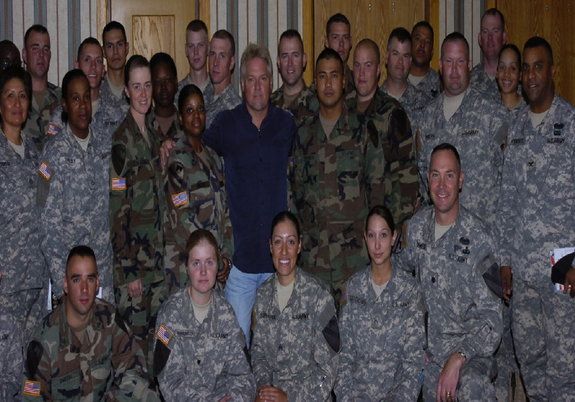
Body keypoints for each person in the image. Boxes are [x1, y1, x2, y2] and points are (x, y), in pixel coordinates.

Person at [498, 36, 575, 401]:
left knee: (564, 369)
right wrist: (505, 260)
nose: (530, 76)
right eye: (525, 68)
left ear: (552, 71)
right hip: (523, 268)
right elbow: (506, 199)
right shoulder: (516, 128)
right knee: (531, 363)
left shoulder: (570, 123)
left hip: (562, 265)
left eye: (537, 67)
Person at [203, 44, 295, 344]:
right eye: (251, 80)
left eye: (263, 79)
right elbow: (195, 150)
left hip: (278, 264)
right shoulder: (225, 124)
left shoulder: (286, 124)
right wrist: (169, 145)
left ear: (272, 81)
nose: (257, 87)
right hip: (239, 265)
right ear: (242, 84)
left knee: (277, 348)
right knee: (237, 349)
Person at [404, 143, 502, 401]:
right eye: (435, 175)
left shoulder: (480, 237)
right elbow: (399, 277)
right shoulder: (416, 229)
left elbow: (493, 320)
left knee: (472, 386)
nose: (441, 185)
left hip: (470, 355)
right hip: (429, 356)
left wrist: (459, 357)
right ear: (427, 179)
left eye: (449, 175)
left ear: (461, 180)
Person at [292, 48, 384, 296]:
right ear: (315, 83)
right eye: (322, 76)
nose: (328, 84)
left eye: (334, 76)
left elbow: (376, 191)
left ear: (344, 81)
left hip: (354, 260)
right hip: (313, 260)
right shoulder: (303, 134)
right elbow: (295, 194)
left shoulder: (363, 129)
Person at [22, 245, 158, 401]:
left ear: (98, 283)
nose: (84, 289)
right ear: (65, 284)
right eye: (76, 279)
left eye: (90, 279)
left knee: (149, 395)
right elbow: (31, 396)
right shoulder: (43, 340)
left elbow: (134, 366)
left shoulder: (109, 318)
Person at [110, 55, 166, 376]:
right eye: (136, 87)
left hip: (157, 264)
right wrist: (129, 270)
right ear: (127, 91)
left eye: (147, 86)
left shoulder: (153, 134)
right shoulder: (122, 140)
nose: (143, 94)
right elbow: (117, 212)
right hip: (135, 270)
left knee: (158, 348)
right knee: (135, 353)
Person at [417, 32, 507, 227]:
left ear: (469, 65)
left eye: (460, 62)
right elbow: (424, 178)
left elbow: (509, 176)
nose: (454, 70)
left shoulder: (492, 113)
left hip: (482, 232)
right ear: (440, 66)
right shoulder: (427, 117)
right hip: (440, 232)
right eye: (449, 62)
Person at [39, 69, 113, 306]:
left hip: (102, 273)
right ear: (64, 104)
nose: (82, 106)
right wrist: (61, 280)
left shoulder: (105, 144)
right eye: (75, 98)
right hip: (71, 279)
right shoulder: (53, 152)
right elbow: (47, 222)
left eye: (86, 98)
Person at [336, 205, 424, 400]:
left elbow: (414, 362)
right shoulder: (352, 288)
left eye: (383, 235)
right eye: (371, 236)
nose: (377, 245)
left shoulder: (410, 290)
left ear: (393, 238)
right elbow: (343, 356)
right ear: (365, 238)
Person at [154, 230, 255, 401]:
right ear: (187, 267)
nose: (203, 271)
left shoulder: (226, 313)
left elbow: (243, 374)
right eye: (196, 263)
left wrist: (235, 399)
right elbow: (168, 380)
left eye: (209, 262)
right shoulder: (170, 313)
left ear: (218, 266)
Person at [251, 211, 339, 401]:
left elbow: (329, 369)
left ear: (299, 246)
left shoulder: (319, 295)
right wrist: (265, 390)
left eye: (290, 242)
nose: (284, 251)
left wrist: (291, 397)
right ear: (270, 246)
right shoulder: (262, 295)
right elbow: (258, 354)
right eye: (278, 242)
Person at [0, 66, 46, 400]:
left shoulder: (36, 154)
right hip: (6, 284)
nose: (17, 103)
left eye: (22, 96)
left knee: (33, 370)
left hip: (36, 281)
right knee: (6, 371)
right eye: (9, 96)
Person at [163, 84, 231, 294]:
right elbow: (181, 219)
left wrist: (226, 256)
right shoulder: (177, 161)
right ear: (180, 117)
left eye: (200, 109)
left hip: (214, 267)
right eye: (189, 110)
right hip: (187, 267)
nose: (196, 116)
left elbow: (226, 212)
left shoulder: (213, 157)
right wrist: (212, 257)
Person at [346, 38, 419, 232]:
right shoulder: (342, 109)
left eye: (368, 65)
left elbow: (406, 180)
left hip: (381, 227)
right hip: (347, 230)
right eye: (357, 65)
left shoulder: (392, 113)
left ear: (378, 70)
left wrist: (389, 227)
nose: (361, 73)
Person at [382, 27, 432, 127]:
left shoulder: (426, 104)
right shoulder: (373, 103)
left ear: (410, 61)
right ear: (387, 57)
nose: (400, 62)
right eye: (395, 54)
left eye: (405, 56)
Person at [21, 24, 61, 150]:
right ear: (25, 55)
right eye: (35, 48)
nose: (41, 55)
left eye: (45, 49)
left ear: (50, 55)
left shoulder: (63, 98)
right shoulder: (13, 100)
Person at [270, 29, 313, 126]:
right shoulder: (268, 106)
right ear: (278, 62)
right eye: (285, 56)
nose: (290, 63)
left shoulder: (317, 104)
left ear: (304, 60)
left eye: (295, 55)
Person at [204, 29, 242, 127]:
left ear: (231, 62)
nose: (215, 62)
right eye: (212, 54)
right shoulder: (202, 96)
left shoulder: (235, 108)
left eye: (222, 56)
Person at [470, 8, 507, 100]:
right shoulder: (468, 82)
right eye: (485, 32)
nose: (490, 37)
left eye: (495, 31)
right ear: (480, 39)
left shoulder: (515, 80)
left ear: (504, 37)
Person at [100, 21, 130, 134]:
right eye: (110, 46)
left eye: (119, 44)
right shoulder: (95, 91)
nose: (115, 52)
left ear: (127, 48)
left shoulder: (137, 90)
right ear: (103, 51)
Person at [409, 20, 441, 98]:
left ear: (432, 51)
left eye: (427, 41)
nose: (422, 45)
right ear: (409, 45)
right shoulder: (398, 80)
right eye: (418, 39)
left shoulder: (441, 86)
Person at [150, 52, 178, 140]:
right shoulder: (142, 126)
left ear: (176, 82)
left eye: (168, 80)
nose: (163, 87)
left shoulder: (187, 124)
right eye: (158, 82)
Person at [178, 19, 210, 95]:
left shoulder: (218, 90)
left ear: (208, 48)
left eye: (200, 45)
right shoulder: (177, 93)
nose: (196, 52)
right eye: (191, 46)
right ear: (186, 50)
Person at [325, 13, 354, 95]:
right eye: (335, 37)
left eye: (345, 37)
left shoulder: (359, 83)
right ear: (326, 42)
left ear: (350, 42)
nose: (341, 43)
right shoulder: (319, 86)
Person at [496, 43, 525, 115]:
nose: (506, 73)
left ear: (520, 75)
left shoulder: (529, 110)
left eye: (512, 68)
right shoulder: (486, 107)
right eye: (502, 67)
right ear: (497, 73)